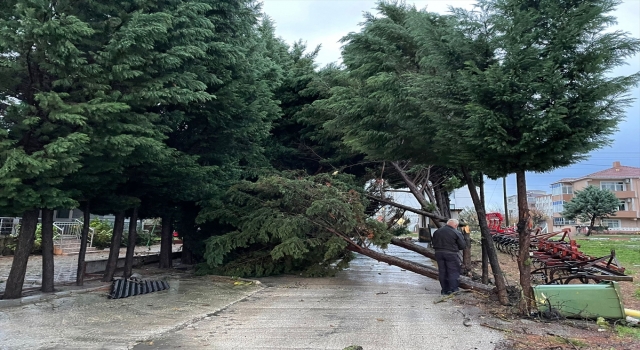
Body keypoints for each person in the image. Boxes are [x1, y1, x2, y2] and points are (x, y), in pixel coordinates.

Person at [431, 218, 466, 295]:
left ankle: (444, 290)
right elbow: (462, 245)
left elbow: (433, 242)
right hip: (451, 254)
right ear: (456, 225)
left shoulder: (437, 232)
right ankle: (453, 289)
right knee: (453, 271)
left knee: (442, 271)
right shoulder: (456, 232)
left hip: (438, 253)